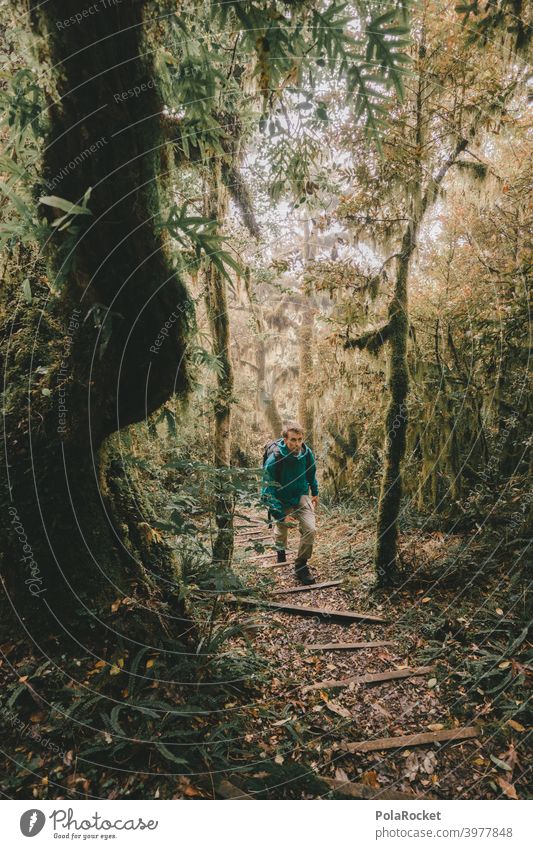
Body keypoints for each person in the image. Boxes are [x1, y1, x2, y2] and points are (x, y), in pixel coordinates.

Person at [261, 421, 319, 585]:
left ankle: (301, 565)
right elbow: (266, 491)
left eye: (300, 439)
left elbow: (311, 473)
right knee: (282, 529)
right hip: (281, 498)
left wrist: (315, 492)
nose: (297, 444)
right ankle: (280, 550)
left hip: (300, 495)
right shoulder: (274, 460)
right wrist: (280, 515)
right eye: (293, 439)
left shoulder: (306, 453)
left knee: (310, 529)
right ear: (285, 439)